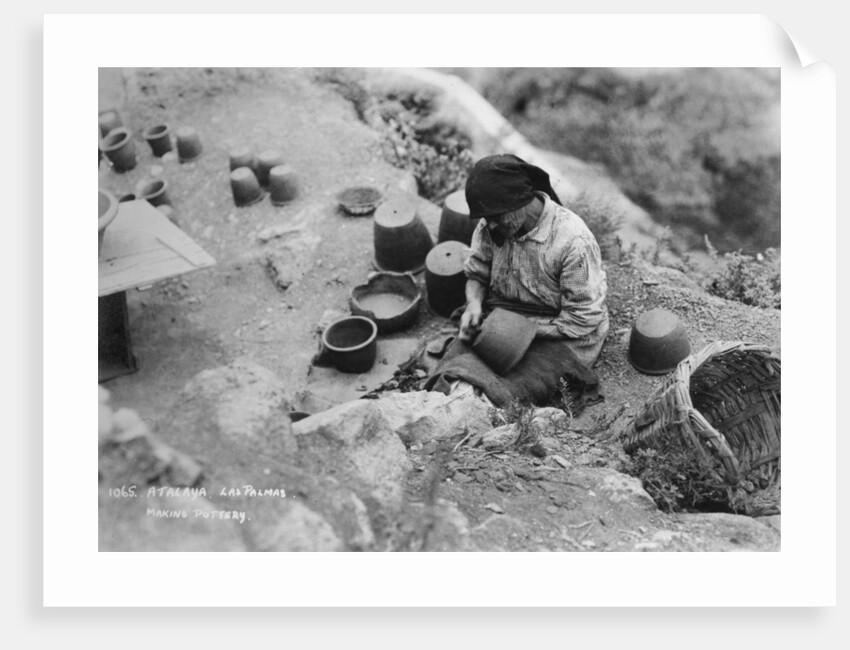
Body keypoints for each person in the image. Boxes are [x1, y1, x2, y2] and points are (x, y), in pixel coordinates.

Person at [458, 153, 609, 369]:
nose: (490, 226)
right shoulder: (492, 225)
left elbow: (582, 319)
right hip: (504, 313)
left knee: (517, 383)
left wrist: (519, 329)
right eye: (486, 218)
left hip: (561, 329)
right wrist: (473, 304)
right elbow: (477, 272)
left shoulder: (573, 241)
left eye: (496, 217)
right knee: (460, 367)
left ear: (520, 200)